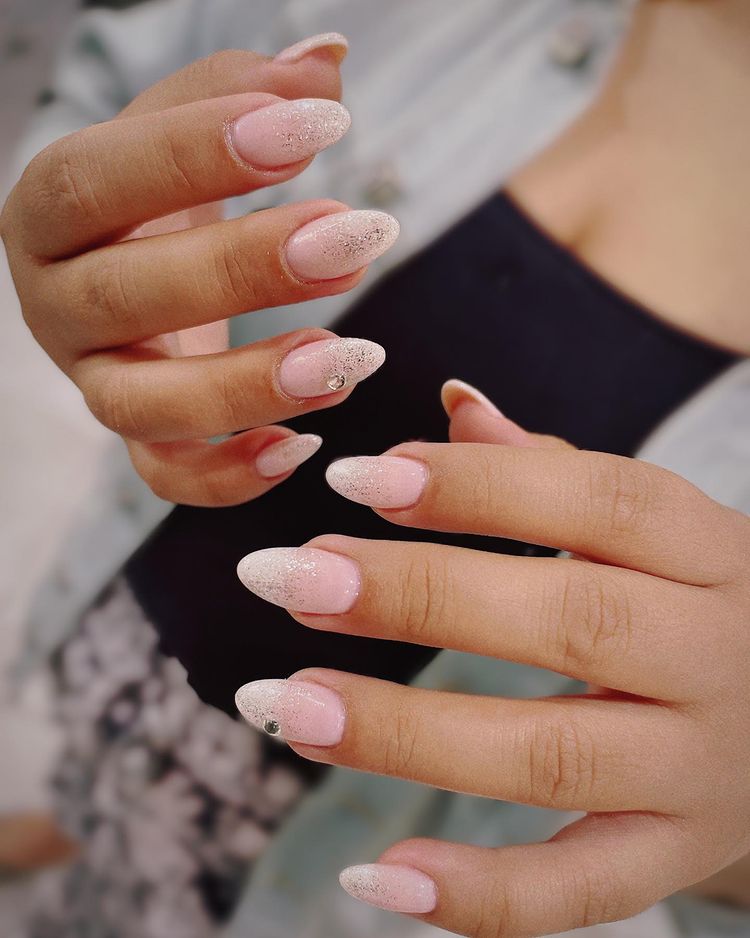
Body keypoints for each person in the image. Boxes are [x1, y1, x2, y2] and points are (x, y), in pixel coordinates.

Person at [1, 0, 749, 935]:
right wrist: (98, 226)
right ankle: (78, 830)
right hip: (141, 609)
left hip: (317, 860)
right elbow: (115, 83)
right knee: (98, 789)